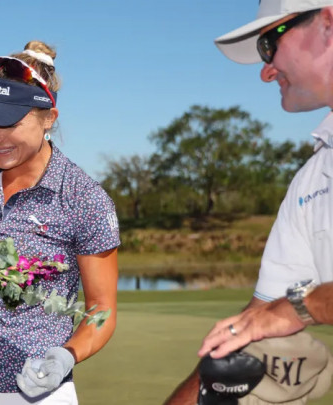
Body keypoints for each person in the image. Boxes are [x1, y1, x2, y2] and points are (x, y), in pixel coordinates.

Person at [0, 41, 120, 405]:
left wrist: (67, 355)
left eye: (9, 122)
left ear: (49, 118)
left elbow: (102, 311)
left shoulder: (84, 198)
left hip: (37, 391)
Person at [166, 1, 333, 403]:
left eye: (269, 46)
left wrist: (298, 308)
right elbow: (257, 319)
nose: (266, 71)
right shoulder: (311, 180)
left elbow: (281, 312)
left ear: (328, 22)